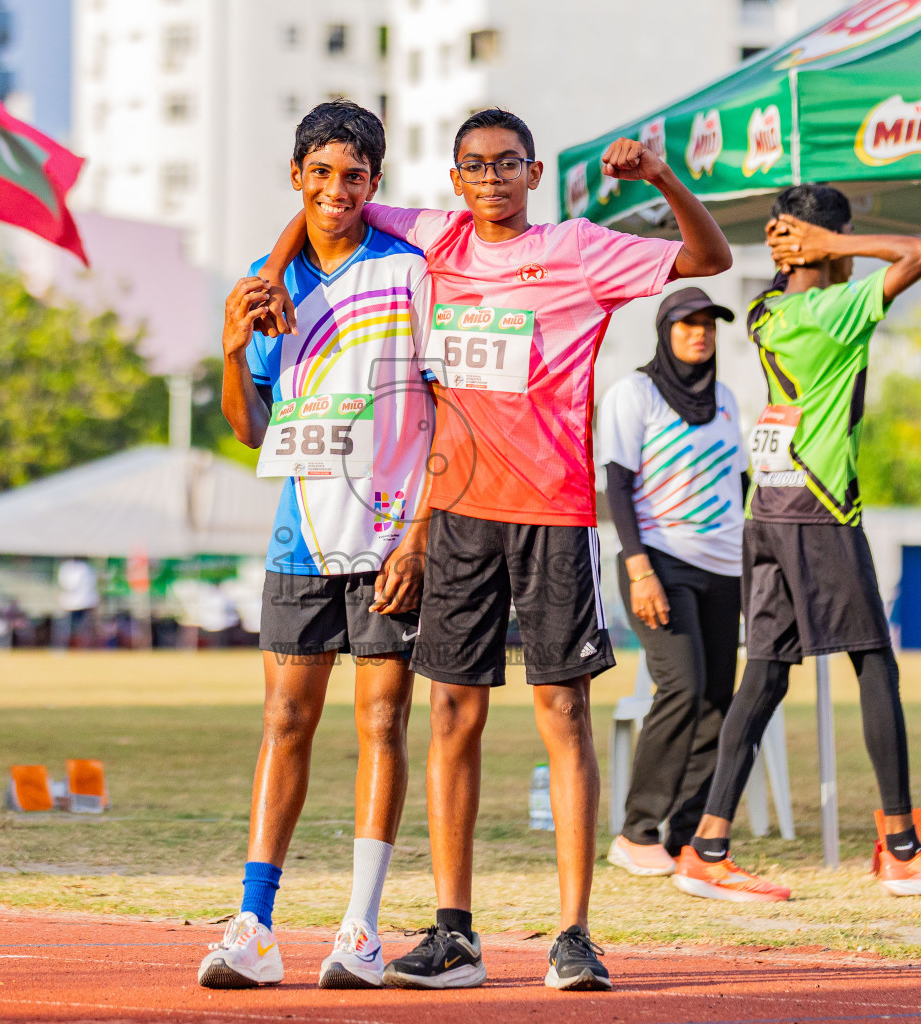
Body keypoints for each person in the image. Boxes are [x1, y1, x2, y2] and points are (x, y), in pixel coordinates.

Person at [256, 106, 732, 992]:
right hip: (459, 515)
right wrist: (271, 272)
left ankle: (574, 935)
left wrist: (663, 179)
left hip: (553, 511)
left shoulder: (580, 248)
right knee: (450, 716)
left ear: (534, 173)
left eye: (507, 163)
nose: (490, 178)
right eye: (473, 166)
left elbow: (709, 261)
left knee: (563, 714)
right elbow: (327, 208)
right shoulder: (434, 238)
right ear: (454, 180)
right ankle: (454, 934)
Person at [673, 184, 921, 902]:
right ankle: (904, 850)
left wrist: (813, 248)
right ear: (823, 243)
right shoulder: (833, 309)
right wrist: (835, 244)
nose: (850, 255)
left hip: (767, 506)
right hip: (819, 509)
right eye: (841, 240)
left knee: (765, 675)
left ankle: (707, 846)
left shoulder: (767, 311)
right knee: (875, 663)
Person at [196, 101, 433, 991]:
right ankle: (254, 926)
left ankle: (361, 928)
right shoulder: (267, 282)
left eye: (355, 176)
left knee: (382, 724)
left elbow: (447, 409)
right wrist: (230, 351)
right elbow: (250, 429)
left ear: (376, 183)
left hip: (390, 539)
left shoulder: (408, 272)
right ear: (296, 176)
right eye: (322, 173)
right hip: (300, 537)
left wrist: (420, 537)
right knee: (284, 723)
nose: (338, 190)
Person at [597, 287, 747, 877]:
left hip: (725, 567)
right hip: (659, 562)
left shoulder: (726, 399)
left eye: (709, 323)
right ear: (665, 331)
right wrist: (639, 569)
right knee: (682, 687)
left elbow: (739, 485)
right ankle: (637, 831)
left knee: (716, 701)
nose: (700, 332)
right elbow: (617, 486)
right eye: (687, 323)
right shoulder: (633, 394)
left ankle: (688, 834)